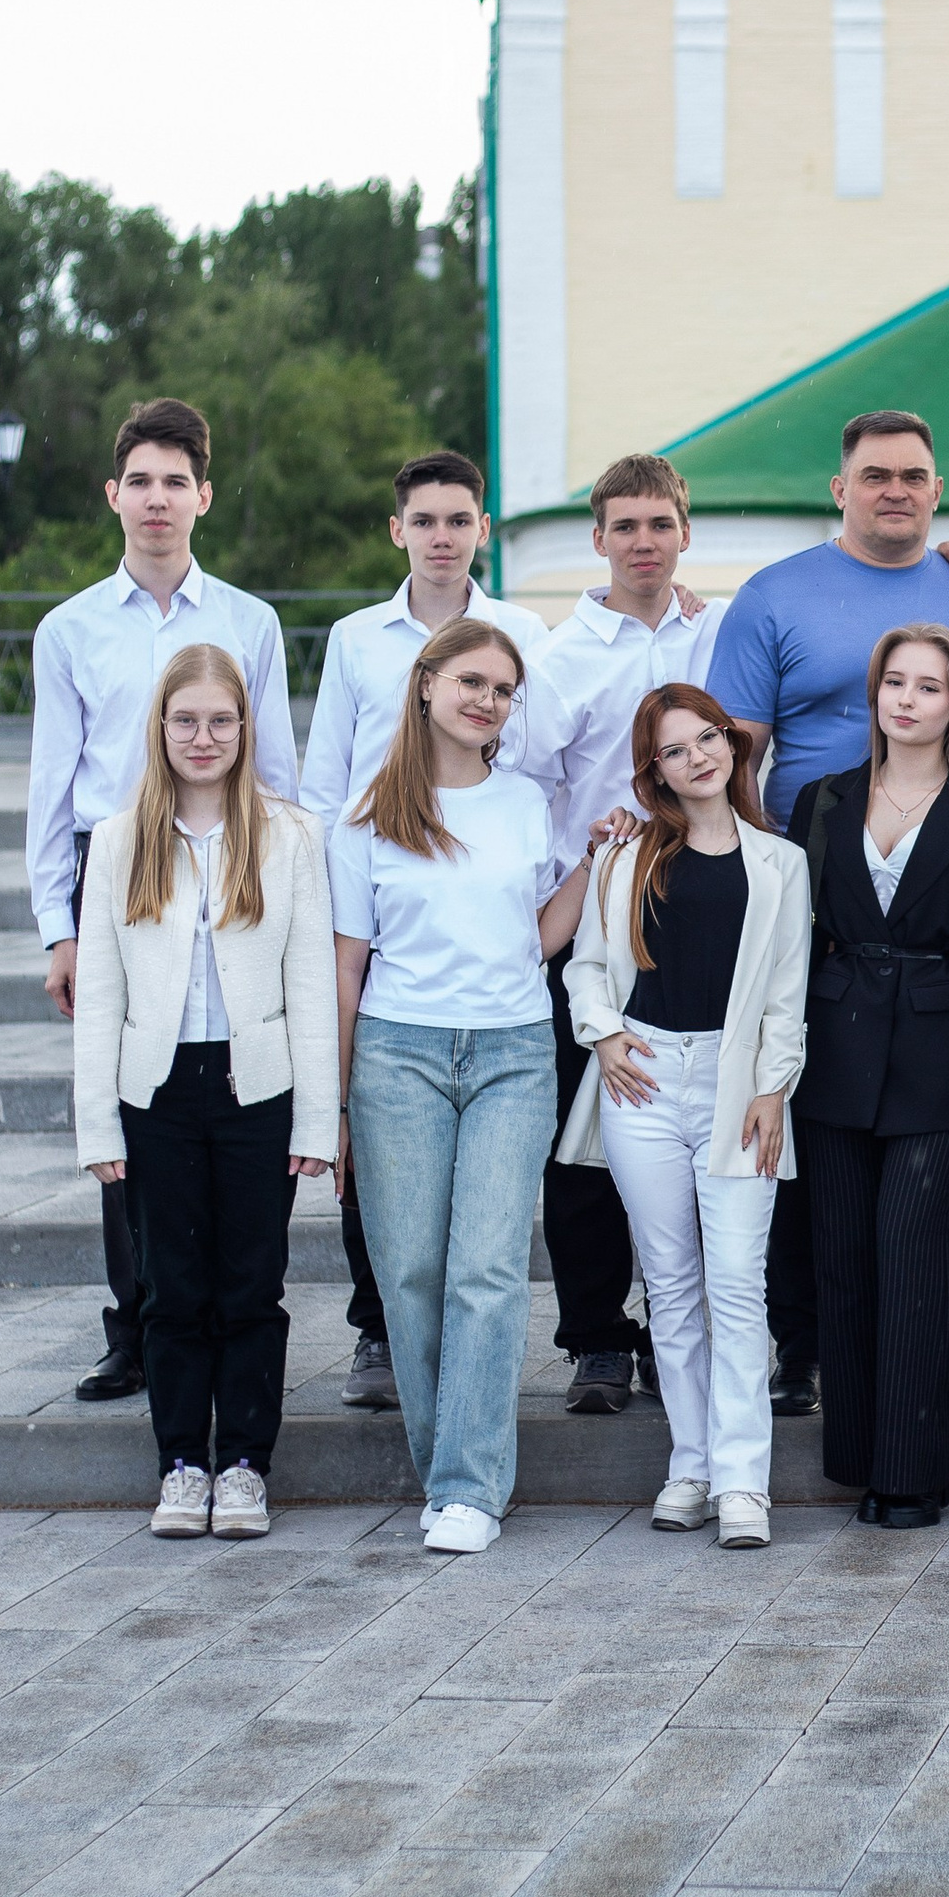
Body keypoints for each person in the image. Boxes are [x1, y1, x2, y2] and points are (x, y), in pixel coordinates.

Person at [706, 412, 949, 1420]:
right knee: (816, 1131)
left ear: (938, 491)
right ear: (838, 487)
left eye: (914, 476)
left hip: (942, 895)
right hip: (815, 900)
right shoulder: (775, 597)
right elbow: (737, 749)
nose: (895, 489)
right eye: (875, 475)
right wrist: (773, 871)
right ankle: (805, 1346)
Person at [28, 398, 297, 1405]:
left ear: (203, 497)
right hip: (120, 878)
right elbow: (52, 785)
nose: (156, 498)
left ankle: (232, 1305)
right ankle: (136, 1323)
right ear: (114, 495)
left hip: (229, 867)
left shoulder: (248, 622)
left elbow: (275, 771)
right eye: (139, 480)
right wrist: (57, 926)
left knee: (226, 1093)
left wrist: (280, 908)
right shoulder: (71, 630)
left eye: (174, 481)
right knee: (128, 1089)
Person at [299, 453, 549, 1415]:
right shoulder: (360, 639)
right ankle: (380, 1332)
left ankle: (471, 1453)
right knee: (402, 1236)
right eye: (425, 519)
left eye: (459, 519)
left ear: (482, 528)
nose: (442, 534)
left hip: (493, 946)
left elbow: (541, 766)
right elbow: (326, 787)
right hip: (388, 917)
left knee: (485, 1246)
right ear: (397, 529)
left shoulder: (522, 634)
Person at [75, 643, 337, 1541]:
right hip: (156, 1089)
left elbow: (311, 985)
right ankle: (183, 1462)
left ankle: (247, 1465)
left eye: (220, 720)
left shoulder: (289, 836)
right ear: (160, 727)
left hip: (256, 1084)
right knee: (172, 1286)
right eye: (185, 719)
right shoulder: (120, 840)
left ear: (244, 727)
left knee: (251, 1282)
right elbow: (100, 995)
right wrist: (96, 1122)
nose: (203, 736)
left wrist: (318, 1117)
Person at [332, 620, 583, 1553]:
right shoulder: (366, 814)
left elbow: (540, 935)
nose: (488, 700)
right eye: (472, 681)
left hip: (513, 1050)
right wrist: (340, 1100)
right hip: (397, 1053)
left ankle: (470, 1485)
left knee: (485, 1264)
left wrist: (594, 863)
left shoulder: (525, 803)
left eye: (504, 690)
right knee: (411, 1269)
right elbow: (348, 966)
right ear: (427, 683)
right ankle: (447, 1467)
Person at [560, 686, 808, 1550]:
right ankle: (691, 1464)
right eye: (676, 747)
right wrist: (604, 1037)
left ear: (733, 745)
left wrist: (774, 1087)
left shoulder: (780, 861)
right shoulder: (628, 857)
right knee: (670, 1284)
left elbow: (787, 993)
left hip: (740, 1089)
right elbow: (586, 966)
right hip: (647, 1082)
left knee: (738, 1281)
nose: (700, 754)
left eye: (710, 736)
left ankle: (745, 1481)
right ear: (654, 769)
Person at [788, 626, 949, 1527]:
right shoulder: (821, 800)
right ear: (875, 691)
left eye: (929, 686)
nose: (909, 699)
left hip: (938, 1054)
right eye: (895, 681)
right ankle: (855, 1455)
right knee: (842, 1259)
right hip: (833, 1052)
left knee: (918, 1261)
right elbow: (794, 938)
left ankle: (913, 1472)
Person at [520, 453, 721, 1418]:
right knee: (586, 1136)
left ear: (686, 530)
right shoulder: (560, 658)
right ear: (599, 539)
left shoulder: (723, 636)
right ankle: (598, 1336)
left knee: (704, 1125)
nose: (644, 542)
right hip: (596, 921)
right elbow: (528, 787)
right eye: (625, 527)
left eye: (661, 523)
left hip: (711, 911)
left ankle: (716, 1323)